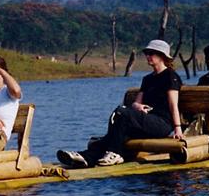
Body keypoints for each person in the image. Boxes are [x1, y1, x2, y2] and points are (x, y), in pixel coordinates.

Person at [57, 39, 183, 168]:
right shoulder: (148, 79)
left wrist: (178, 128)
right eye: (146, 53)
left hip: (162, 124)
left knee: (121, 112)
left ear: (161, 55)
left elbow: (174, 105)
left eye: (151, 53)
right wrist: (138, 106)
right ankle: (86, 158)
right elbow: (135, 103)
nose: (147, 56)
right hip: (144, 122)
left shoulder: (170, 76)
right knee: (119, 126)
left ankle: (115, 153)